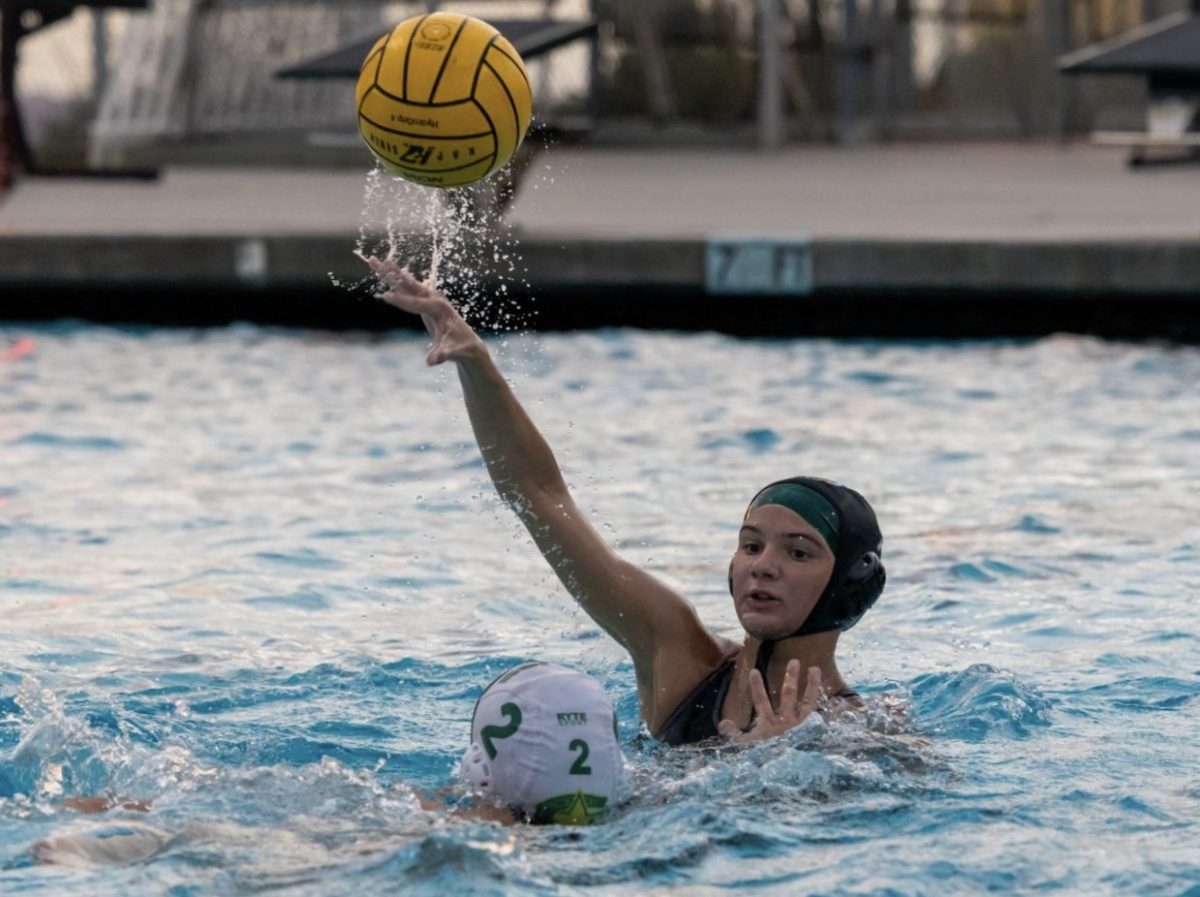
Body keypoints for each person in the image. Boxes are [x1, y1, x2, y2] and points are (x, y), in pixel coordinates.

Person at [366, 256, 888, 747]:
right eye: (751, 547)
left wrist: (777, 767)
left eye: (797, 552)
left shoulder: (865, 735)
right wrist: (477, 363)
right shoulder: (678, 655)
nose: (764, 568)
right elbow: (540, 496)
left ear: (848, 583)